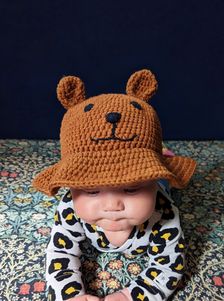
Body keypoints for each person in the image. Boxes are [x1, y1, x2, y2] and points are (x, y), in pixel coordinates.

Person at [32, 69, 197, 301]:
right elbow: (60, 253)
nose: (112, 205)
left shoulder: (164, 212)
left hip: (157, 179)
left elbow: (169, 267)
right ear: (71, 186)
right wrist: (70, 295)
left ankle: (161, 157)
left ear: (147, 183)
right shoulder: (70, 206)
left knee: (165, 179)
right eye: (91, 190)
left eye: (131, 188)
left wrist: (130, 296)